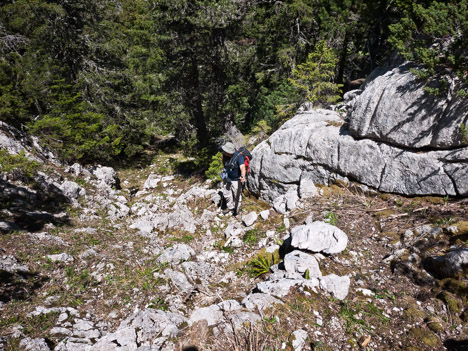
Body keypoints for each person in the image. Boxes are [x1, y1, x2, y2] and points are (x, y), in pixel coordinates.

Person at [220, 141, 246, 215]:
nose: (223, 152)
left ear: (229, 152)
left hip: (236, 179)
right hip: (227, 177)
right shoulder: (225, 155)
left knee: (237, 195)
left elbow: (242, 167)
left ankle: (236, 210)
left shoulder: (239, 156)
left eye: (225, 151)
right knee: (226, 193)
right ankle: (230, 207)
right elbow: (223, 161)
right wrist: (225, 170)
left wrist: (242, 176)